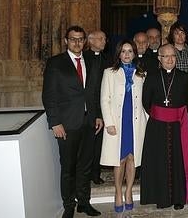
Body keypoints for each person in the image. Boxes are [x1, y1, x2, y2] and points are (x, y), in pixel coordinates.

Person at [42, 25, 103, 218]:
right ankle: (69, 205)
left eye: (80, 39)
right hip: (67, 124)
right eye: (73, 39)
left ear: (85, 41)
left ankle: (84, 203)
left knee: (85, 165)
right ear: (66, 41)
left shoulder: (91, 62)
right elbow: (49, 95)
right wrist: (55, 122)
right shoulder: (55, 63)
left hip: (89, 122)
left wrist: (98, 115)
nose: (77, 42)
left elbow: (93, 92)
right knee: (68, 167)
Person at [140, 44, 188, 210]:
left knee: (178, 160)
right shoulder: (152, 76)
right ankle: (161, 197)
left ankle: (179, 197)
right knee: (159, 161)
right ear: (160, 58)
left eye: (173, 56)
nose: (170, 59)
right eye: (166, 56)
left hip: (178, 125)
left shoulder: (184, 77)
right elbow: (146, 101)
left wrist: (173, 114)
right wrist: (160, 115)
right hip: (157, 127)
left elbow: (187, 100)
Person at [100, 39, 148, 213]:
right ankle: (118, 192)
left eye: (130, 51)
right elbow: (104, 100)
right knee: (118, 158)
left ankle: (129, 192)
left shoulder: (141, 74)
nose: (127, 54)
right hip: (118, 122)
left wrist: (147, 120)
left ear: (134, 53)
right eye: (123, 51)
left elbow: (146, 100)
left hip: (136, 122)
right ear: (119, 54)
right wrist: (109, 123)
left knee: (132, 158)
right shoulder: (109, 73)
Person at [84, 30, 110, 185]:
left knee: (98, 145)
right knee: (86, 146)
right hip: (85, 109)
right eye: (101, 38)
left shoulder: (107, 60)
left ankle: (95, 173)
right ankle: (84, 175)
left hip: (102, 107)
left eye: (105, 38)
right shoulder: (83, 58)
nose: (104, 41)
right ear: (91, 40)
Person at [168, 24, 188, 146]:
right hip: (172, 96)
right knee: (173, 130)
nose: (180, 36)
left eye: (182, 33)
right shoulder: (168, 50)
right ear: (172, 35)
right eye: (177, 33)